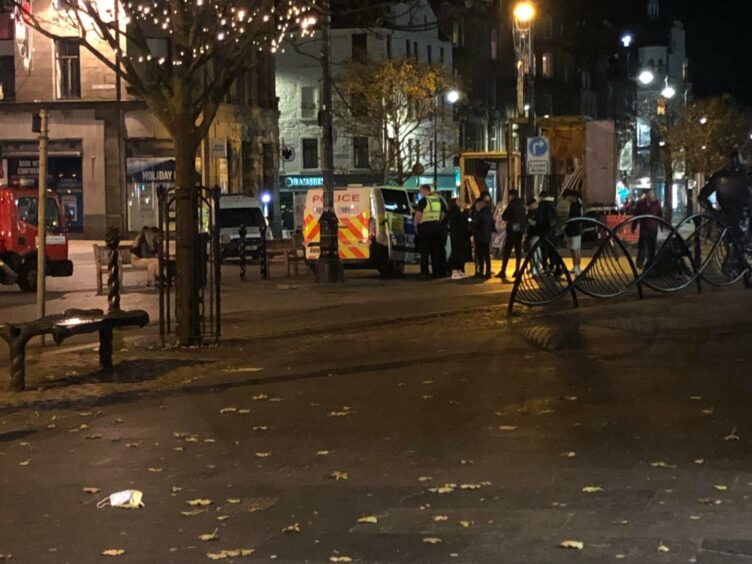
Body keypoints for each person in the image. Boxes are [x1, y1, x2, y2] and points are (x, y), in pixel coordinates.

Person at [414, 184, 447, 278]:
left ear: (425, 190)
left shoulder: (423, 201)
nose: (420, 193)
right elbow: (442, 214)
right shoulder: (437, 200)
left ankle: (424, 273)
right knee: (435, 251)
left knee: (424, 252)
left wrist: (415, 225)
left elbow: (418, 214)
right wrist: (438, 221)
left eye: (421, 191)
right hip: (436, 227)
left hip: (425, 228)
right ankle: (436, 272)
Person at [497, 190, 526, 282]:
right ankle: (517, 270)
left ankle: (503, 270)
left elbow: (504, 216)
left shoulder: (512, 205)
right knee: (518, 251)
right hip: (520, 230)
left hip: (512, 230)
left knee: (507, 250)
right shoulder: (522, 205)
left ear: (511, 196)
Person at [631, 190, 662, 269]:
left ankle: (650, 263)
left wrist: (661, 225)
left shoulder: (656, 204)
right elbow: (637, 216)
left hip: (653, 229)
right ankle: (640, 263)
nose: (650, 196)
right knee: (642, 246)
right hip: (644, 228)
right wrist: (633, 227)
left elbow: (660, 215)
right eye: (649, 195)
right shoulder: (641, 204)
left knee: (652, 246)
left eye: (651, 195)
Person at [447, 198, 472, 279]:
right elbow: (462, 220)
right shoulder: (455, 211)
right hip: (458, 235)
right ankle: (455, 271)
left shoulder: (456, 211)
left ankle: (459, 270)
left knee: (459, 252)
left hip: (459, 235)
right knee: (457, 252)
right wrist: (466, 211)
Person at [471, 198, 495, 279]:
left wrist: (471, 223)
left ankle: (480, 271)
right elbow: (492, 225)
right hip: (487, 236)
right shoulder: (489, 213)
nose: (476, 206)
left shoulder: (480, 214)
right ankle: (488, 271)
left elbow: (476, 224)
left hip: (480, 236)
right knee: (486, 255)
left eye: (477, 205)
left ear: (480, 204)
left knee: (479, 255)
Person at [564, 190, 583, 276]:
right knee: (577, 249)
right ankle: (577, 266)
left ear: (571, 196)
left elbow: (572, 218)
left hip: (573, 230)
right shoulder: (579, 204)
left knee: (574, 249)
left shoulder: (575, 205)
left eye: (567, 198)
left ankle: (576, 266)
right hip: (577, 229)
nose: (567, 200)